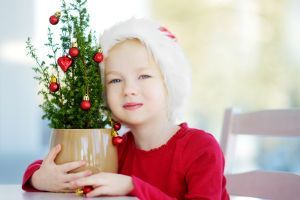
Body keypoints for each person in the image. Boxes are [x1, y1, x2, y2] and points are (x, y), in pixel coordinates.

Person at [22, 18, 229, 199]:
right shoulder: (114, 150)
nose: (129, 89)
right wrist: (39, 178)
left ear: (169, 83)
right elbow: (46, 168)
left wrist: (132, 186)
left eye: (144, 76)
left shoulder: (201, 148)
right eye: (115, 80)